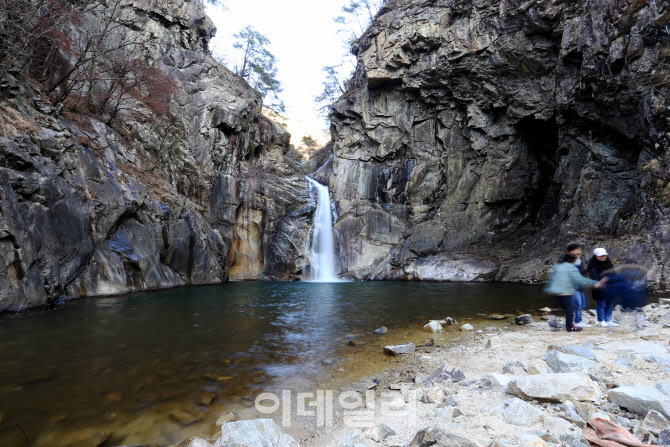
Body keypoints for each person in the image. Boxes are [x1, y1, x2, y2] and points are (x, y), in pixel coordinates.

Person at [545, 253, 607, 332]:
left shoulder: (559, 266)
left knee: (560, 307)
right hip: (565, 291)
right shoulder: (570, 268)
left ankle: (555, 324)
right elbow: (580, 279)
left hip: (558, 290)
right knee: (570, 308)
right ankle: (570, 326)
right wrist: (595, 283)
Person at [561, 243, 590, 327]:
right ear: (571, 251)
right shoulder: (566, 260)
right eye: (578, 250)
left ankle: (578, 320)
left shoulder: (579, 259)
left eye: (580, 250)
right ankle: (576, 322)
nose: (580, 251)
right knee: (578, 304)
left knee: (583, 304)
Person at [587, 247, 617, 327]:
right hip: (600, 288)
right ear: (596, 256)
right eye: (601, 256)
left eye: (604, 255)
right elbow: (594, 277)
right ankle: (601, 320)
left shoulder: (609, 263)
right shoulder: (593, 265)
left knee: (610, 305)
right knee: (602, 304)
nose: (603, 257)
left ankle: (608, 320)